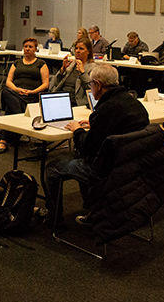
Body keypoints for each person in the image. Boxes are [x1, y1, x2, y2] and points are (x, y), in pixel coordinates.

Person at [44, 64, 149, 224]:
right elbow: (119, 126)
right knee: (79, 158)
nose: (90, 87)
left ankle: (54, 219)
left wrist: (77, 130)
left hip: (105, 170)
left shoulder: (105, 109)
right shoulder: (134, 103)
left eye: (91, 84)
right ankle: (95, 210)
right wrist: (96, 124)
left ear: (98, 85)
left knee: (53, 167)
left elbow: (87, 147)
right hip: (132, 167)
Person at [0, 37, 50, 154]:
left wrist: (32, 91)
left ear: (35, 49)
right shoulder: (17, 63)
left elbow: (45, 84)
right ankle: (20, 121)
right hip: (16, 93)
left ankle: (4, 140)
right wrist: (17, 89)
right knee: (6, 91)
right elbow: (8, 81)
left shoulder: (41, 63)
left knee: (10, 108)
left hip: (32, 96)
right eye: (25, 47)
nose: (27, 49)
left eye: (30, 47)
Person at [49, 38, 95, 106]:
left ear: (88, 51)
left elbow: (93, 89)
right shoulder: (71, 64)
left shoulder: (93, 68)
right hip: (61, 97)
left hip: (75, 101)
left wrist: (83, 73)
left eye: (81, 49)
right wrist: (62, 70)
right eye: (76, 48)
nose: (77, 51)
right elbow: (55, 83)